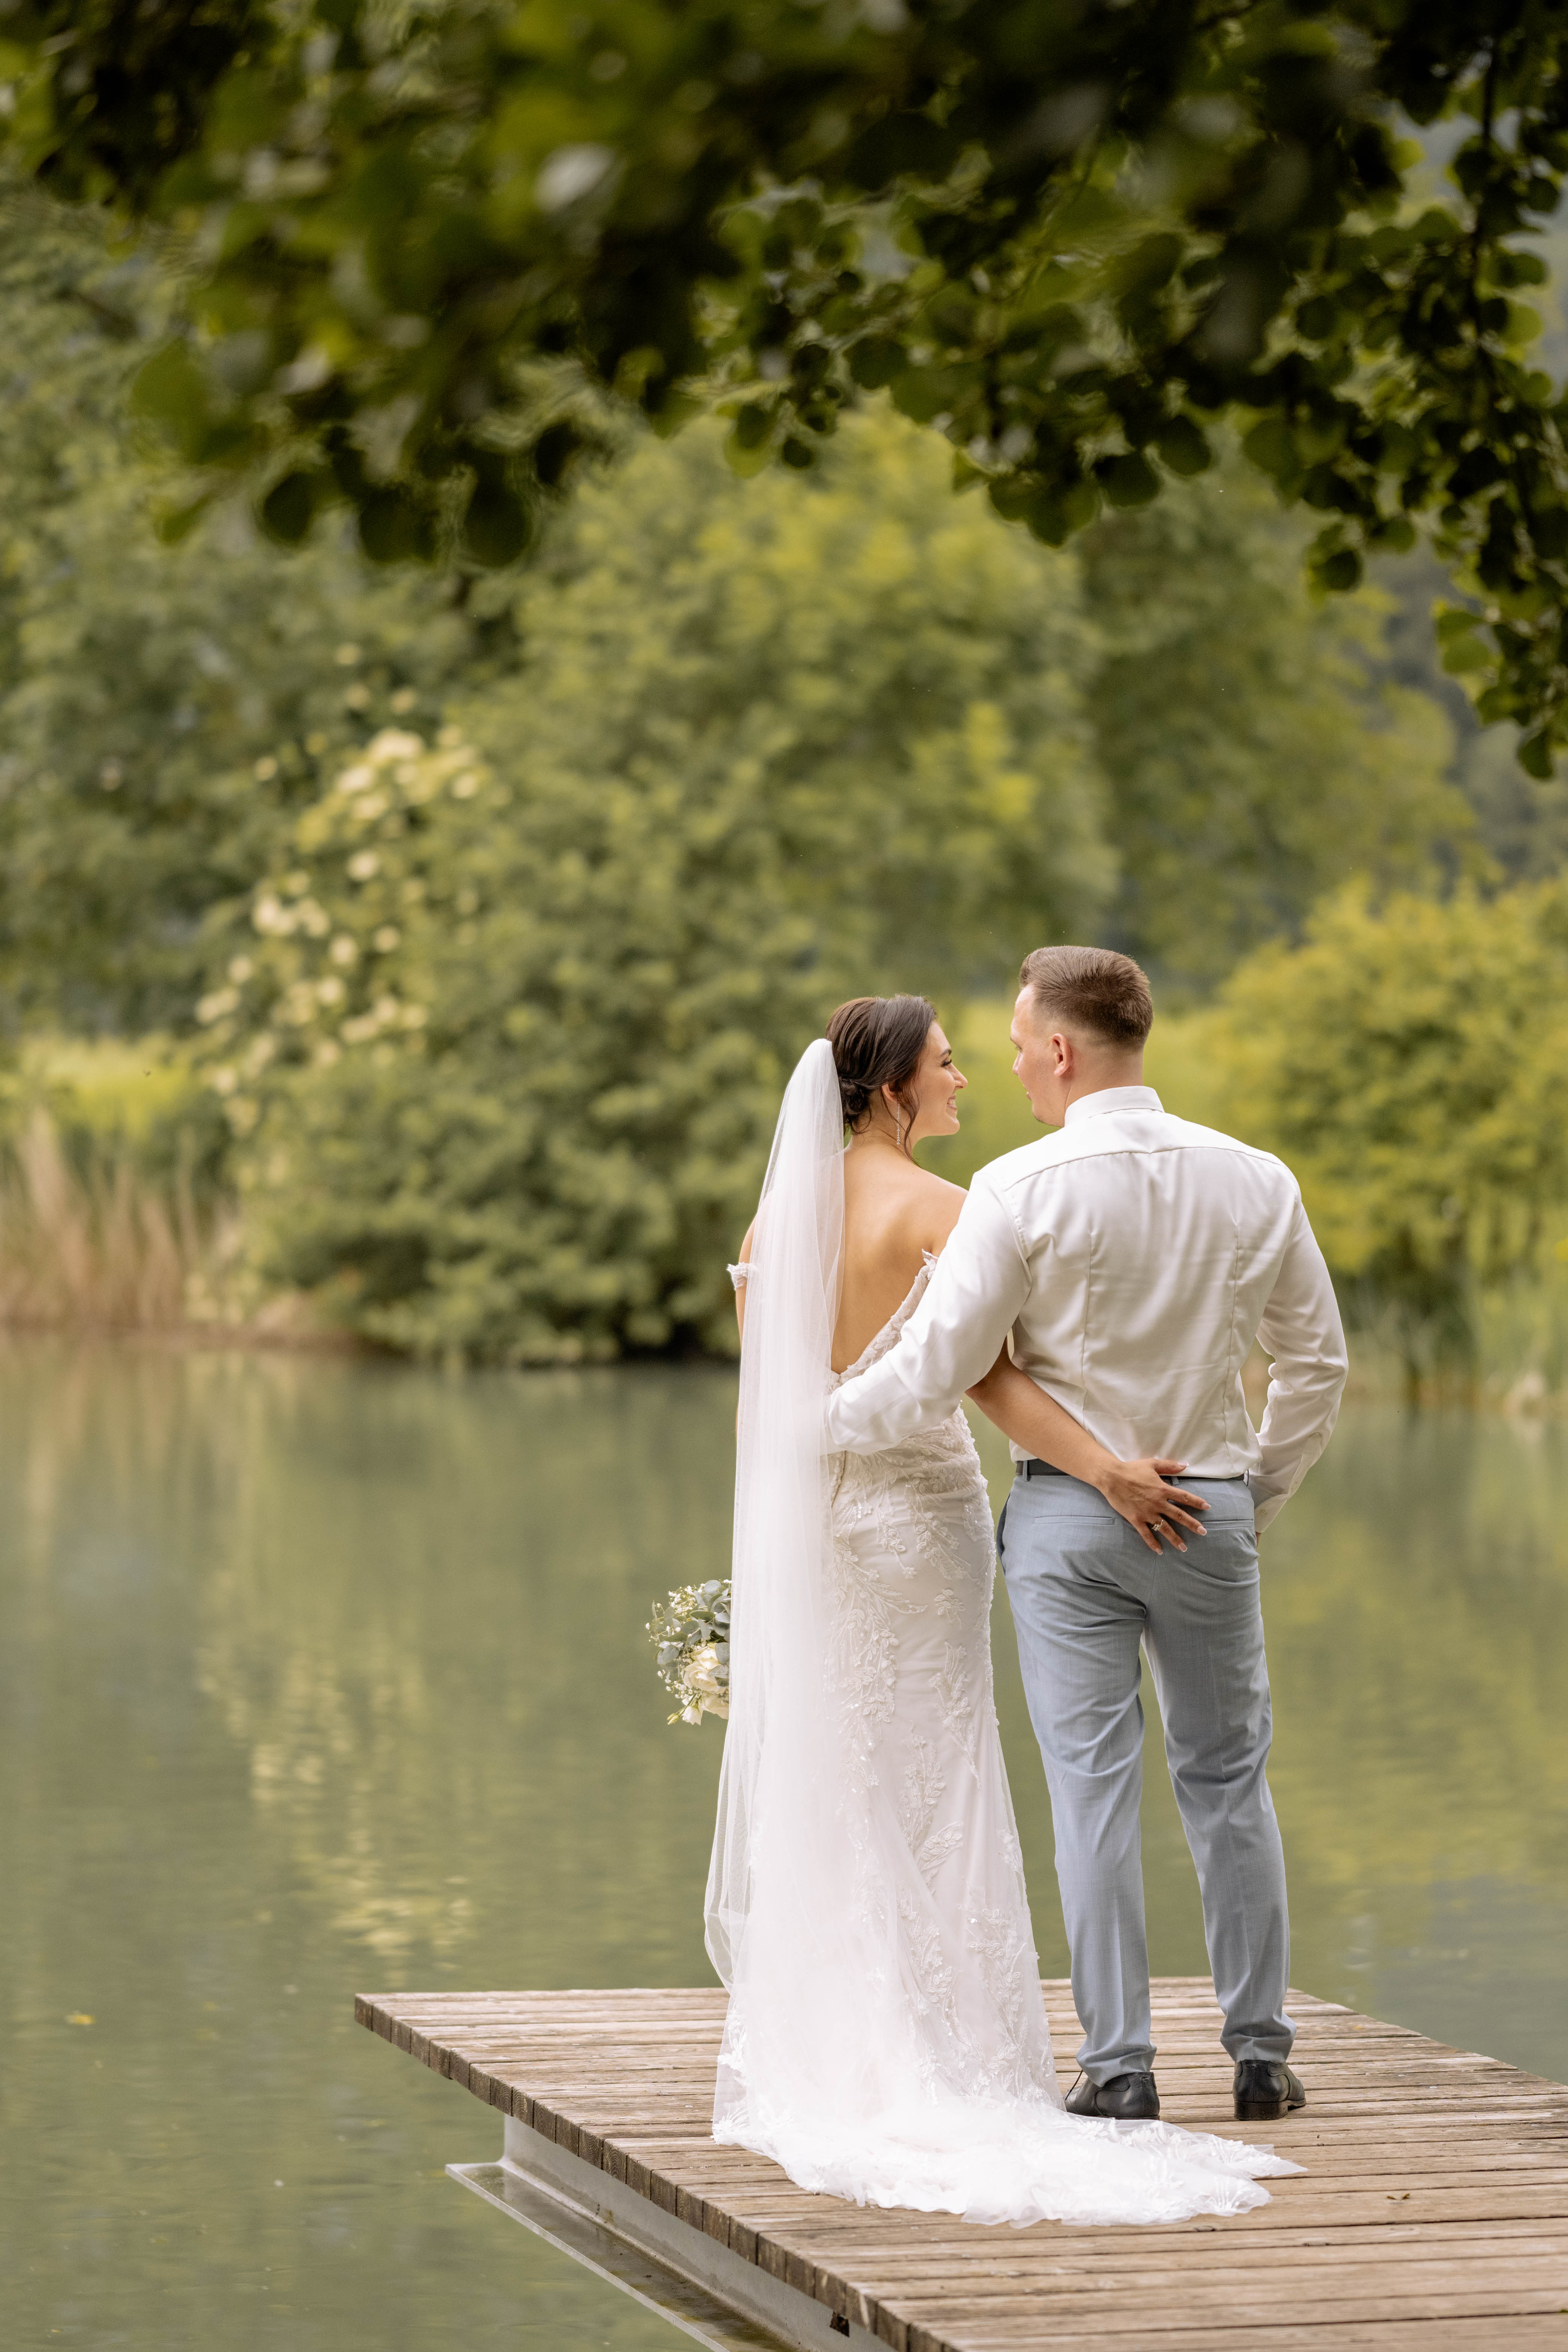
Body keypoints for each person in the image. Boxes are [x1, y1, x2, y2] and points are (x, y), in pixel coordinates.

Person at [705, 992, 1299, 2228]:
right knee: (943, 1768)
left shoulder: (778, 1219)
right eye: (943, 1062)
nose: (965, 1076)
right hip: (917, 1516)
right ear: (888, 1089)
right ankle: (958, 2047)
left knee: (847, 1766)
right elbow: (986, 1376)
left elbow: (770, 1410)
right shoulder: (945, 1209)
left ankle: (841, 2039)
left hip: (821, 1520)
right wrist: (1108, 1472)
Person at [826, 949, 1348, 2131]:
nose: (1008, 1064)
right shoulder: (1256, 1177)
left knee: (1091, 1791)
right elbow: (1316, 1363)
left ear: (1060, 1050)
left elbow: (938, 1369)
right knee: (1227, 1783)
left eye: (1016, 1044)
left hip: (1067, 1518)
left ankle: (1119, 2067)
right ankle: (1260, 2058)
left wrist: (816, 1426)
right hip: (1204, 1507)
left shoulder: (1016, 1188)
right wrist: (1247, 1497)